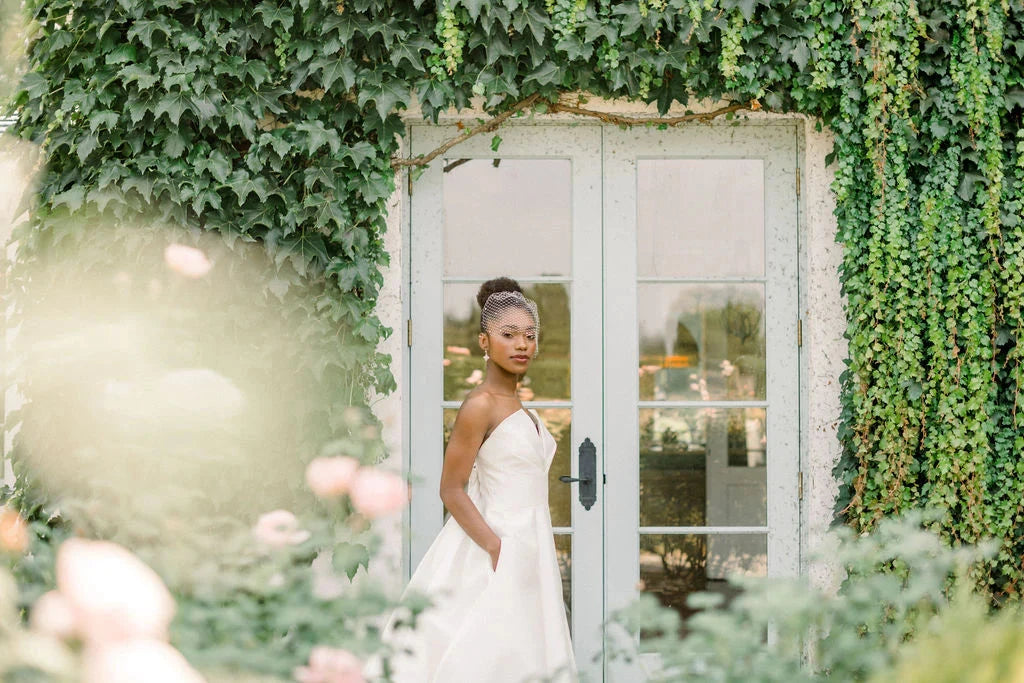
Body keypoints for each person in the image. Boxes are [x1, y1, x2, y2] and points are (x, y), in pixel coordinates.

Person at [368, 277, 577, 682]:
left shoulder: (522, 408)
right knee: (487, 652)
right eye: (509, 334)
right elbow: (451, 488)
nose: (522, 345)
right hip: (496, 545)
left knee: (526, 651)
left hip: (531, 541)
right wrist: (496, 547)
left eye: (530, 336)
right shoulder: (479, 405)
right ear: (484, 342)